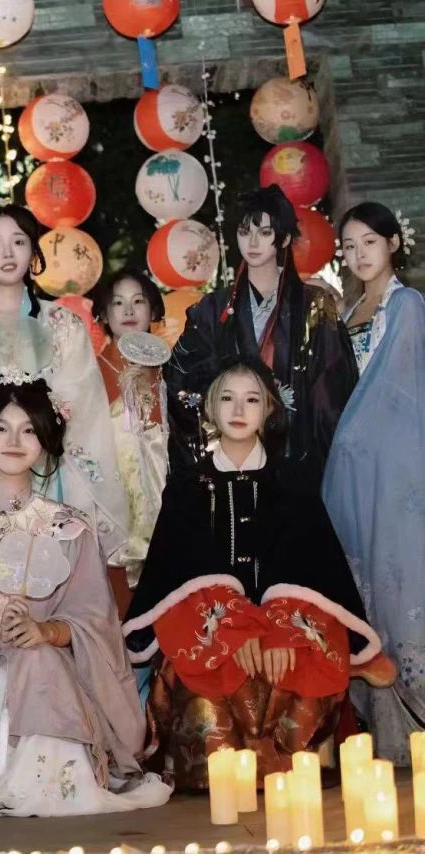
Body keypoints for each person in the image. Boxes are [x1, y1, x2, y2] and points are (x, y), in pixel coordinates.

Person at [0, 378, 170, 818]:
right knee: (25, 661)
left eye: (28, 430)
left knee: (37, 658)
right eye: (1, 428)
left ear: (45, 438)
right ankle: (17, 779)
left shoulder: (70, 526)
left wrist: (47, 631)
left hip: (51, 664)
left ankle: (53, 784)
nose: (14, 440)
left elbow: (96, 619)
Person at [125, 358, 392, 789]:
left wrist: (278, 630)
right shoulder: (187, 487)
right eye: (227, 398)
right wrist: (234, 628)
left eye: (251, 400)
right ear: (210, 408)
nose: (238, 410)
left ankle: (289, 764)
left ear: (269, 409)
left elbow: (315, 568)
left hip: (283, 627)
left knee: (297, 671)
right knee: (207, 697)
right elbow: (177, 574)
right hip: (211, 628)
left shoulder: (293, 482)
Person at [0, 203, 127, 562]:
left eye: (18, 242)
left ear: (33, 252)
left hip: (42, 462)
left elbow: (81, 397)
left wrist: (36, 407)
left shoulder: (63, 324)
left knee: (43, 562)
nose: (7, 253)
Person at [165, 185, 357, 488]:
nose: (253, 242)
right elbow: (183, 379)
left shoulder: (314, 304)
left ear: (284, 239)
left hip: (297, 451)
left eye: (265, 233)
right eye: (245, 232)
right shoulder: (212, 308)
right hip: (230, 448)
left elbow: (331, 389)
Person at [322, 203, 425, 765]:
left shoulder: (406, 306)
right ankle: (390, 738)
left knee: (401, 579)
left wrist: (351, 436)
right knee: (365, 592)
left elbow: (400, 390)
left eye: (369, 242)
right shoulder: (348, 308)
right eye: (349, 245)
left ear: (392, 244)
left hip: (396, 462)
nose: (359, 254)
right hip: (354, 466)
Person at [89, 268, 169, 608]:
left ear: (153, 310)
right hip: (112, 501)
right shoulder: (91, 371)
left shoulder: (172, 369)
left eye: (138, 301)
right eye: (118, 303)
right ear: (104, 315)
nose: (129, 310)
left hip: (167, 498)